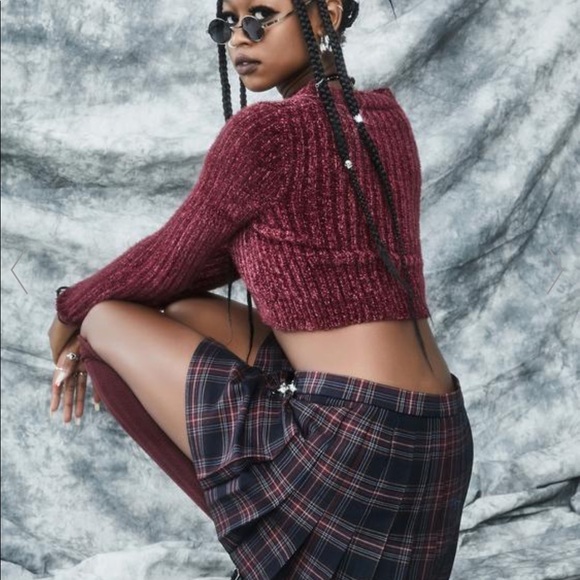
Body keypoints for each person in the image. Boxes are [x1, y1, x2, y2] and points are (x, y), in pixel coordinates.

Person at [48, 0, 473, 578]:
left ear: (325, 14)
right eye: (227, 22)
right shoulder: (384, 117)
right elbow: (192, 267)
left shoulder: (266, 133)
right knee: (183, 309)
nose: (239, 39)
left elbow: (167, 258)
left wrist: (68, 315)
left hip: (354, 449)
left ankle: (271, 551)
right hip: (438, 444)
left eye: (259, 17)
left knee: (102, 323)